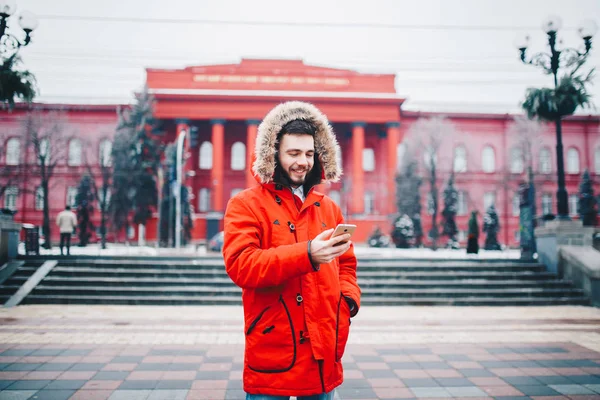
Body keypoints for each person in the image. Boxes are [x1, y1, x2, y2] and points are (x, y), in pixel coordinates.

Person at [223, 101, 361, 399]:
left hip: (323, 351)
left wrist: (347, 303)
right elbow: (241, 265)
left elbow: (347, 264)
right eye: (294, 153)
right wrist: (307, 255)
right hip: (275, 349)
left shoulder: (329, 208)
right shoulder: (245, 204)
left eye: (310, 153)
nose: (303, 161)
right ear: (273, 154)